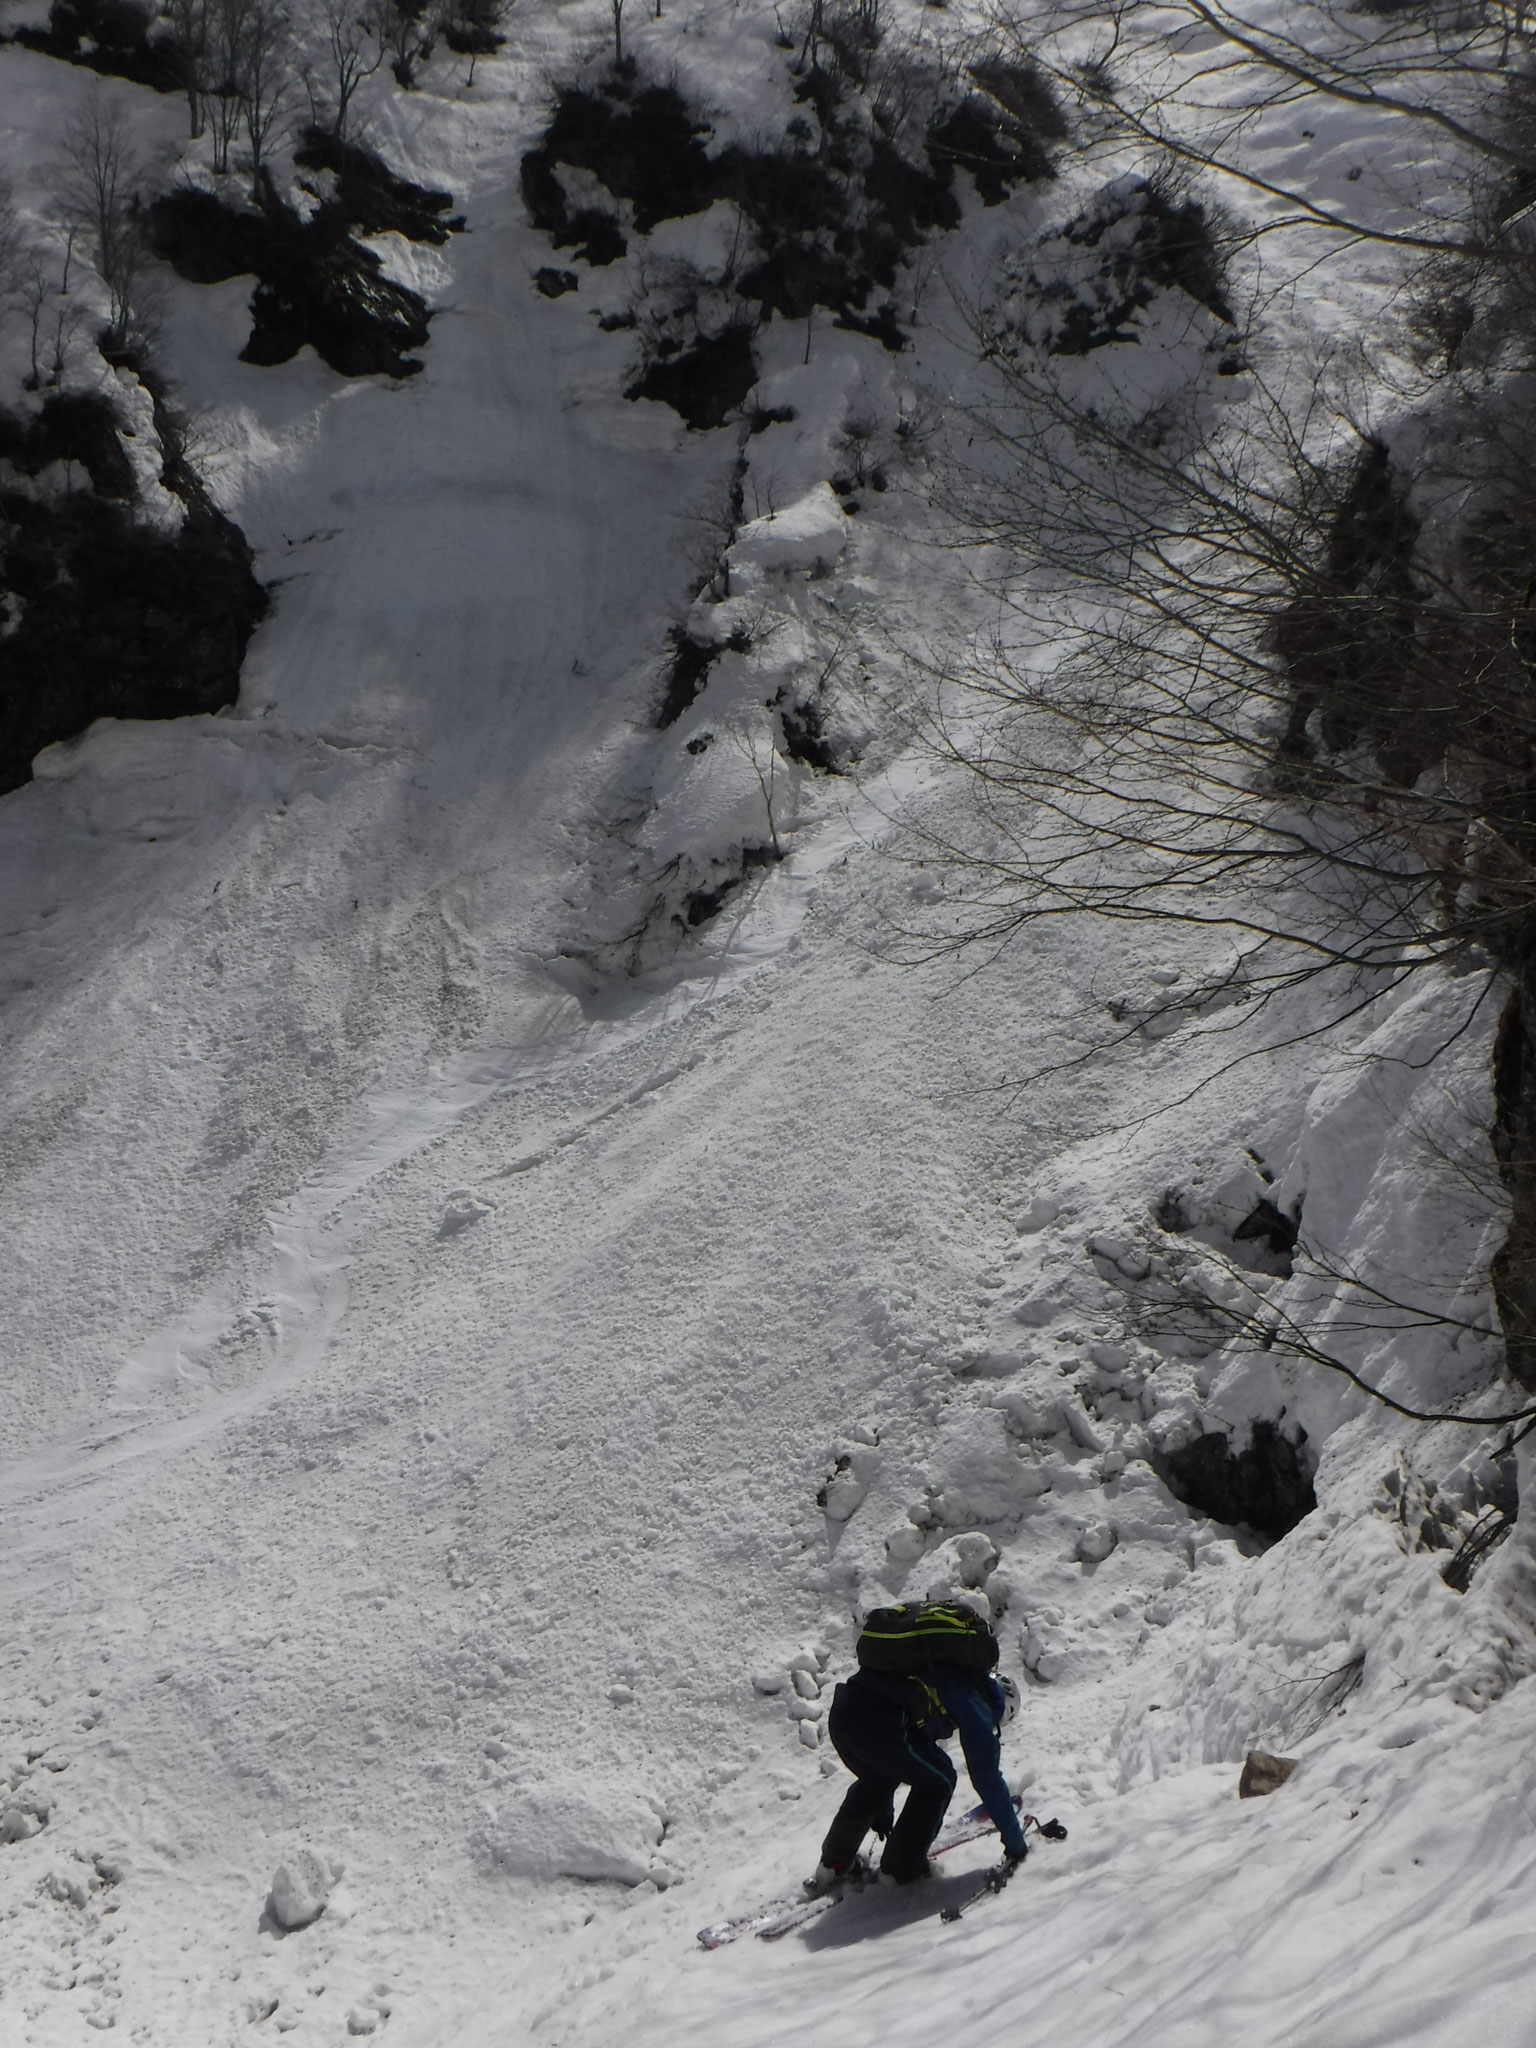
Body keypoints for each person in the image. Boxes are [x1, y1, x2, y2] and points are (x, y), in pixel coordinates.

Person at [809, 1664, 1028, 1889]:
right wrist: (1017, 1846)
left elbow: (890, 1758)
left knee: (879, 1778)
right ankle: (900, 1868)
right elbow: (987, 1778)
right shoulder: (975, 1699)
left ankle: (834, 1863)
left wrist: (883, 1810)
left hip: (844, 1713)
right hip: (880, 1722)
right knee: (940, 1780)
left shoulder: (945, 1672)